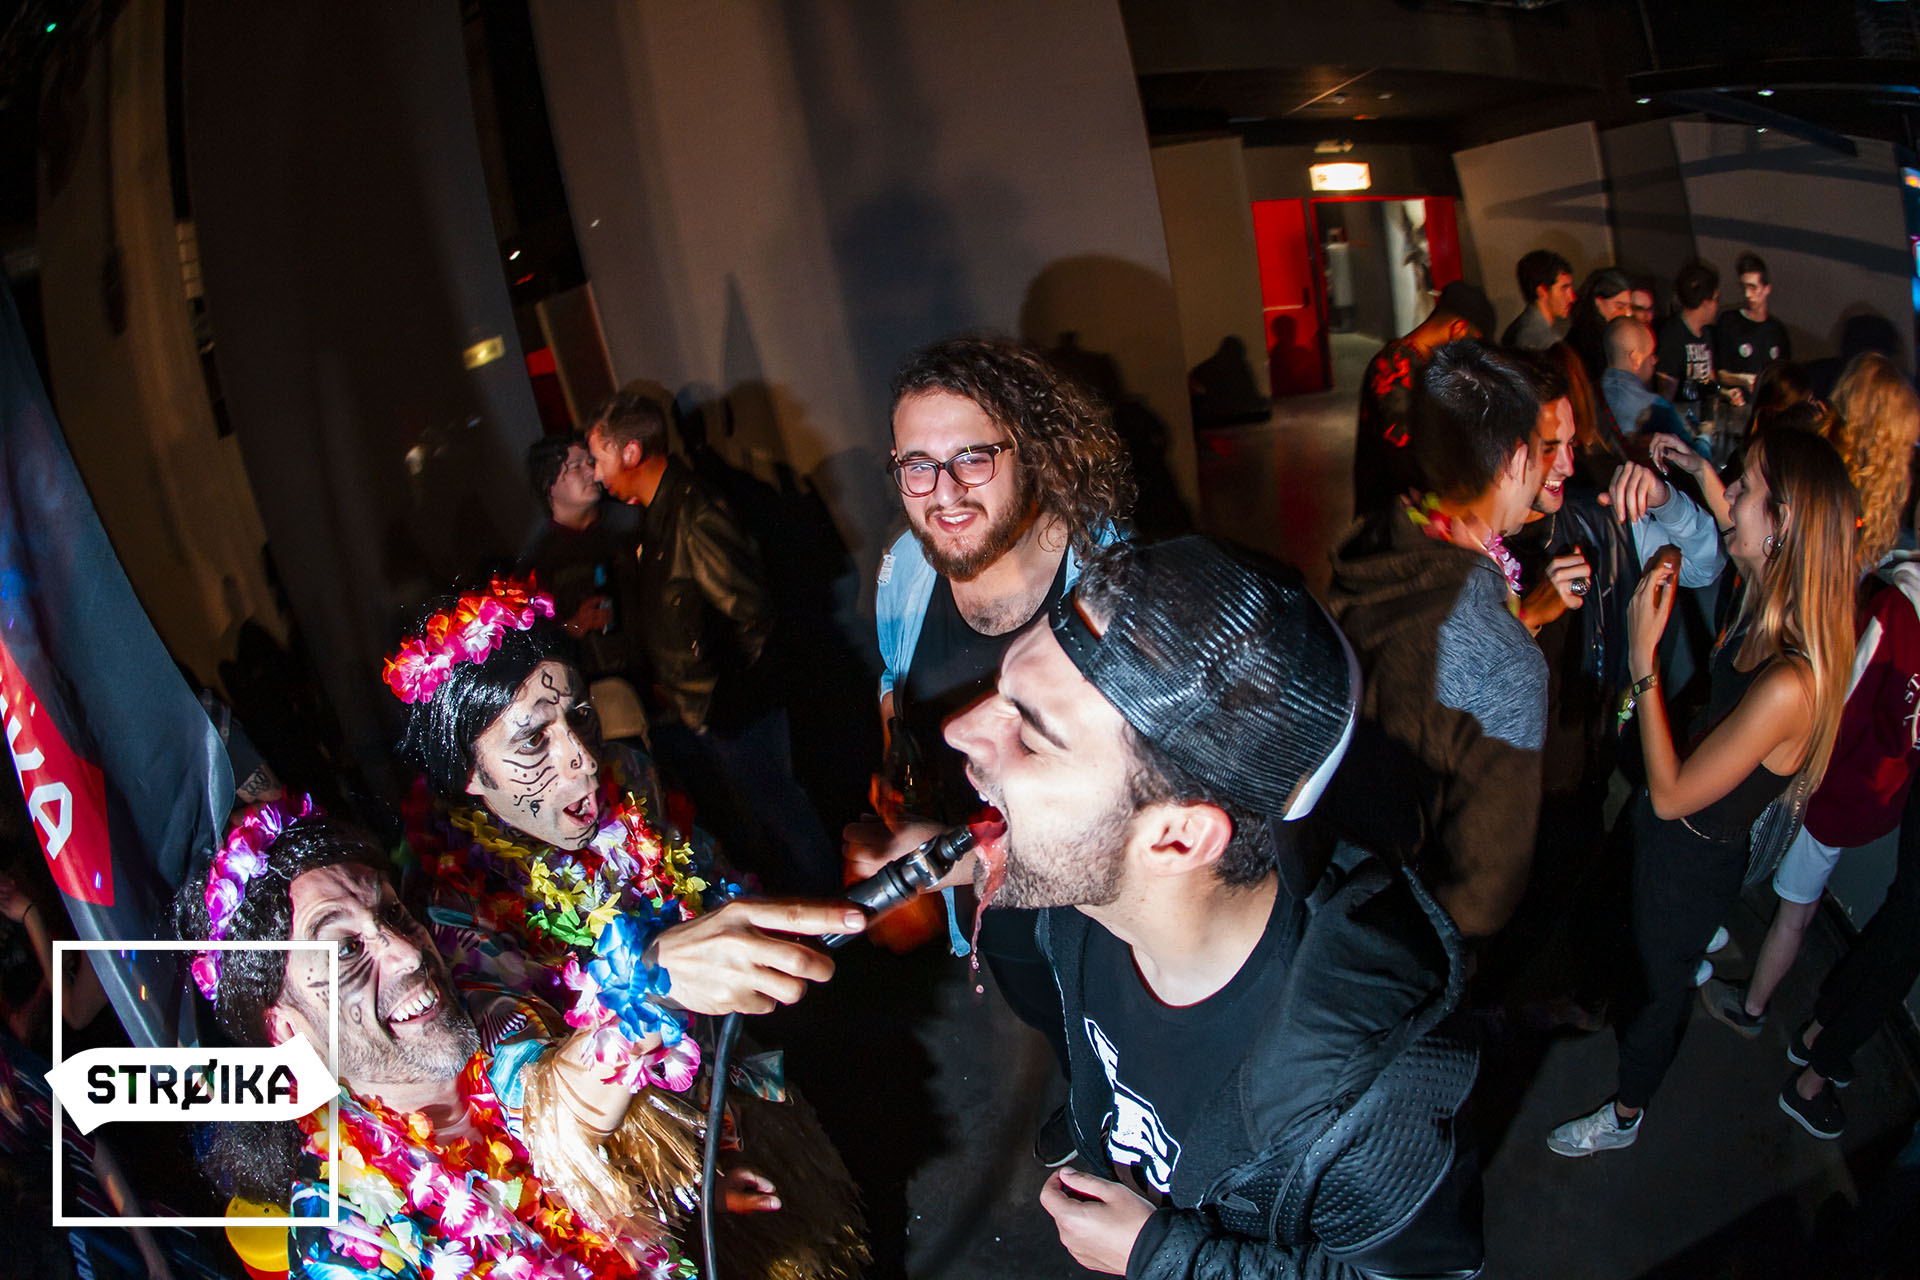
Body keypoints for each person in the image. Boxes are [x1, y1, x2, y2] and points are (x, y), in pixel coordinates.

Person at [913, 536, 1481, 1276]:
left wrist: (1162, 1257)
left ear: (1178, 839)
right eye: (1001, 693)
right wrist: (946, 861)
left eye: (1032, 735)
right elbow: (1070, 848)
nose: (959, 729)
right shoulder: (1089, 895)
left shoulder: (1372, 1098)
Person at [384, 579, 869, 1274]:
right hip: (646, 1186)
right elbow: (536, 1108)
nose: (581, 757)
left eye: (578, 716)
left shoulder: (628, 779)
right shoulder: (452, 912)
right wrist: (687, 1184)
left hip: (745, 1088)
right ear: (469, 774)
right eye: (533, 740)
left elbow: (710, 879)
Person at [174, 803, 871, 1278]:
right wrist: (650, 985)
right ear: (287, 1030)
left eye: (393, 915)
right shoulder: (345, 1240)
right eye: (345, 951)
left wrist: (681, 1192)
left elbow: (558, 1102)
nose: (407, 953)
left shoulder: (492, 1033)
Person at [851, 332, 1134, 1159]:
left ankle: (1129, 1134)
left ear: (1032, 450)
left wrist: (941, 859)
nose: (944, 493)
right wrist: (895, 768)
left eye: (973, 457)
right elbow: (894, 679)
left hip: (1102, 903)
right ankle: (1088, 1095)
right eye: (917, 465)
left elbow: (1129, 801)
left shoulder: (1108, 580)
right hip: (991, 902)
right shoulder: (906, 567)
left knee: (1123, 1030)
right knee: (1047, 1010)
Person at [1547, 428, 1858, 1156]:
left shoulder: (1791, 684)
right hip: (1666, 836)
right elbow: (1723, 527)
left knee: (1656, 1000)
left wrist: (1643, 657)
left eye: (1745, 486)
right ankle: (1593, 1001)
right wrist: (1681, 479)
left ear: (1782, 524)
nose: (1730, 493)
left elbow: (1671, 792)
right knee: (1622, 942)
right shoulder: (1767, 594)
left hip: (1691, 857)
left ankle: (1626, 1115)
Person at [1701, 352, 1920, 1043]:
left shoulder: (1821, 480)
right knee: (1795, 901)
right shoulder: (1888, 531)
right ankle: (1753, 1006)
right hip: (1848, 767)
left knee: (1728, 820)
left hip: (1803, 712)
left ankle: (1702, 945)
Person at [1326, 340, 1551, 941]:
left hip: (1339, 883)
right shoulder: (1503, 659)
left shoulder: (1378, 544)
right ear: (1517, 462)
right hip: (1411, 938)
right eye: (1545, 452)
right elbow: (1484, 892)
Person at [588, 389, 836, 892]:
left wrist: (728, 701)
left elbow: (751, 612)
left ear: (630, 452)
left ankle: (839, 915)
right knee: (764, 826)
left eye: (598, 458)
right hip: (709, 709)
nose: (595, 473)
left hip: (734, 710)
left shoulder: (692, 508)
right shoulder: (658, 512)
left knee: (785, 819)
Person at [1352, 280, 1496, 515]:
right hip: (1392, 513)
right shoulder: (1394, 364)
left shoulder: (1427, 365)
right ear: (1458, 330)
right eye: (1473, 345)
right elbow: (1403, 453)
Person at [517, 433, 644, 689]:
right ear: (549, 485)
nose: (591, 472)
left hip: (654, 671)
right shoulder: (538, 561)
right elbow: (532, 637)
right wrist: (571, 627)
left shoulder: (632, 524)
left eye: (591, 462)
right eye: (576, 467)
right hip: (599, 687)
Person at [1654, 261, 1730, 411]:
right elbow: (1665, 394)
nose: (1717, 306)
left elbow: (1710, 379)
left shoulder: (1706, 333)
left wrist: (1724, 393)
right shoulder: (1673, 335)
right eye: (1716, 299)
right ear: (1705, 302)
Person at [1601, 315, 1690, 441]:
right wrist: (1705, 437)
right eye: (1651, 353)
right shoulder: (1656, 409)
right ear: (1636, 359)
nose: (1655, 360)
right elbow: (1690, 450)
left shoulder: (1590, 397)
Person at [1715, 251, 1791, 396]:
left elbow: (1785, 375)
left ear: (1766, 289)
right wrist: (1742, 379)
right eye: (1744, 287)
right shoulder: (1729, 322)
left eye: (1753, 288)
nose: (1747, 295)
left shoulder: (1777, 330)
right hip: (1739, 402)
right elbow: (1720, 373)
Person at [1566, 267, 1637, 381]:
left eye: (1630, 307)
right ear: (1598, 302)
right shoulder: (1586, 341)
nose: (1628, 313)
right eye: (1620, 307)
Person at [1501, 248, 1576, 350]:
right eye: (1564, 288)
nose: (1572, 298)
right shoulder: (1544, 342)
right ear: (1542, 291)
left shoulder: (1517, 328)